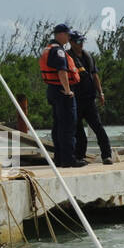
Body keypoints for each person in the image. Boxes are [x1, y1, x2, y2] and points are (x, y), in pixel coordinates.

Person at [39, 23, 83, 167]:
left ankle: (59, 158)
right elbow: (62, 71)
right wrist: (68, 90)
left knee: (58, 126)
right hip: (61, 91)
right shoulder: (58, 51)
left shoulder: (48, 48)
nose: (69, 37)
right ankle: (68, 159)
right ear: (60, 34)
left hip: (52, 90)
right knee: (68, 126)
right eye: (67, 34)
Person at [68, 30, 113, 164]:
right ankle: (79, 157)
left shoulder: (88, 56)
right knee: (79, 131)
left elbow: (94, 75)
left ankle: (107, 155)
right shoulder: (68, 57)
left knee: (98, 128)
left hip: (89, 99)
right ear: (71, 42)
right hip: (75, 100)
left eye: (82, 41)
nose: (81, 44)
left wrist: (101, 93)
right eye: (78, 41)